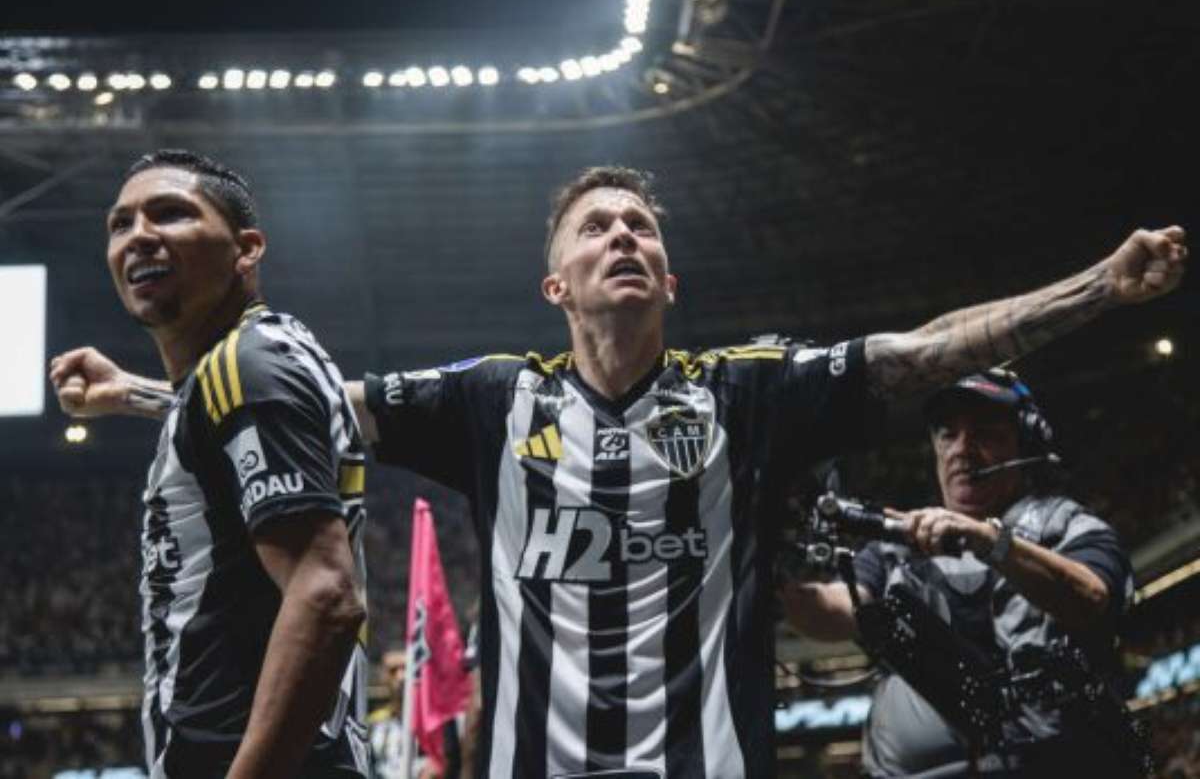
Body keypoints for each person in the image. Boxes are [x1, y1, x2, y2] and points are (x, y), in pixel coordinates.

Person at [52, 166, 1186, 778]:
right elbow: (301, 415)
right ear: (557, 288)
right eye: (596, 228)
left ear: (671, 280)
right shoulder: (492, 400)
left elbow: (919, 352)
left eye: (641, 226)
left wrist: (1101, 286)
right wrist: (139, 395)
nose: (624, 237)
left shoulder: (745, 393)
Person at [49, 150, 370, 778]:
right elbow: (218, 416)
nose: (139, 235)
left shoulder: (248, 365)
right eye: (121, 223)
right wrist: (133, 394)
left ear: (246, 249)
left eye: (170, 213)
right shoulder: (260, 357)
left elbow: (326, 595)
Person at [781, 369, 1135, 777]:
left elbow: (1092, 597)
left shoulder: (1066, 525)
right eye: (948, 435)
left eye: (984, 434)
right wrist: (780, 585)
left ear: (1026, 445)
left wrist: (989, 541)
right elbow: (838, 609)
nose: (961, 450)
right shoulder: (896, 544)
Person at [369, 649, 441, 779]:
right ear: (383, 677)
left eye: (406, 668)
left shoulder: (432, 722)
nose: (401, 677)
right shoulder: (375, 723)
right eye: (393, 670)